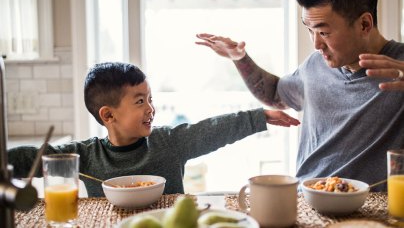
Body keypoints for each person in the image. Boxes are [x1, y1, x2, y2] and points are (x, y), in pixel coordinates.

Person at [195, 0, 404, 190]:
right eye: (309, 30)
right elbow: (275, 94)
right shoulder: (315, 64)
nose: (316, 44)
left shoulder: (400, 67)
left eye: (324, 32)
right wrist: (240, 59)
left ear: (364, 24)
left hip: (372, 213)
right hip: (306, 201)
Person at [8, 62, 299, 197]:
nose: (150, 108)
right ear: (108, 115)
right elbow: (38, 156)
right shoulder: (86, 157)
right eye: (139, 101)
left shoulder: (168, 142)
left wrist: (257, 117)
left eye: (150, 99)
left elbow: (210, 130)